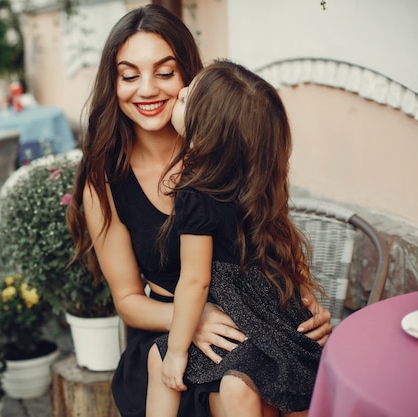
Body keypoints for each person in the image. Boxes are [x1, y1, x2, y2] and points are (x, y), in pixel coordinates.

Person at [66, 5, 332, 417]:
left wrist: (304, 301)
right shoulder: (104, 182)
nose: (148, 89)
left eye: (166, 72)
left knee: (260, 389)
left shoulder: (227, 149)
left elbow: (270, 231)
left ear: (191, 76)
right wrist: (191, 318)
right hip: (167, 337)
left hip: (252, 325)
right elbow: (128, 300)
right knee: (233, 395)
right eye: (130, 75)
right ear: (113, 83)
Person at [145, 59, 322, 417]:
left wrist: (177, 354)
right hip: (274, 313)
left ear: (204, 132)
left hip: (240, 316)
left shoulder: (195, 191)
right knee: (237, 386)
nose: (178, 91)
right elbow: (284, 248)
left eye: (185, 99)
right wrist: (305, 292)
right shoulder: (254, 181)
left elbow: (194, 281)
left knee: (159, 358)